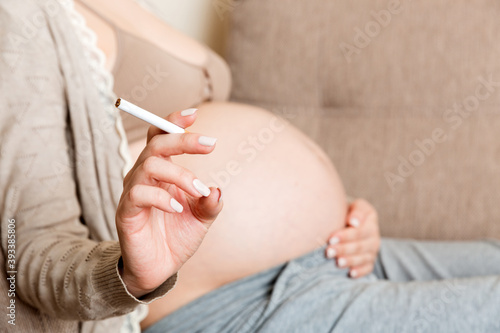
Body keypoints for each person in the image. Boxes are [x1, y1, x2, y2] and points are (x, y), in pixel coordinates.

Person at [2, 1, 500, 333]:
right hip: (232, 304)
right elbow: (22, 253)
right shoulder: (15, 21)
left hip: (333, 249)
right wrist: (131, 274)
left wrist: (333, 207)